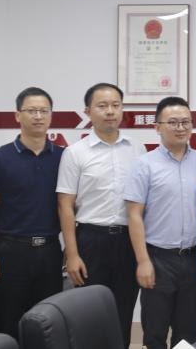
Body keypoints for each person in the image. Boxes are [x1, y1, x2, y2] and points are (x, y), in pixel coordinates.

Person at [57, 83, 146, 348]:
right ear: (88, 111)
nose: (110, 111)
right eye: (102, 106)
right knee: (89, 315)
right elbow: (65, 205)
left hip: (128, 241)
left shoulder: (137, 149)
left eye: (116, 105)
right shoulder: (75, 153)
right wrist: (72, 254)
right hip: (90, 241)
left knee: (123, 311)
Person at [0, 87, 64, 340]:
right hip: (10, 251)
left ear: (51, 115)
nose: (38, 116)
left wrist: (71, 248)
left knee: (48, 323)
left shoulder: (63, 157)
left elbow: (69, 207)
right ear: (17, 115)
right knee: (6, 321)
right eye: (31, 110)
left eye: (44, 111)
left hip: (50, 251)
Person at [124, 97, 196, 349]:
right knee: (155, 332)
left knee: (188, 333)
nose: (180, 128)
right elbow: (134, 215)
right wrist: (143, 261)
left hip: (193, 257)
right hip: (157, 258)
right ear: (157, 127)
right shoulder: (144, 165)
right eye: (173, 122)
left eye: (185, 122)